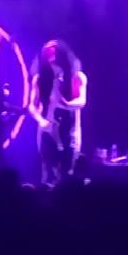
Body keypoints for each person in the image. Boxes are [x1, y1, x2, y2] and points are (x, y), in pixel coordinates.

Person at [28, 40, 87, 185]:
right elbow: (32, 106)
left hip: (70, 131)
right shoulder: (39, 79)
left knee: (67, 172)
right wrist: (42, 121)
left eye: (53, 50)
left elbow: (81, 101)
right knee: (48, 172)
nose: (50, 53)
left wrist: (66, 104)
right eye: (47, 51)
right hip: (47, 129)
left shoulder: (77, 77)